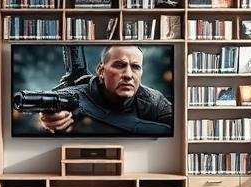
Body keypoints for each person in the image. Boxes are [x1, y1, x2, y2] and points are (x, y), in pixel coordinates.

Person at [39, 45, 173, 135]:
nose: (128, 75)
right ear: (101, 71)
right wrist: (50, 116)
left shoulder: (154, 100)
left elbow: (176, 127)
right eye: (120, 65)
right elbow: (55, 102)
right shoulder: (78, 93)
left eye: (135, 67)